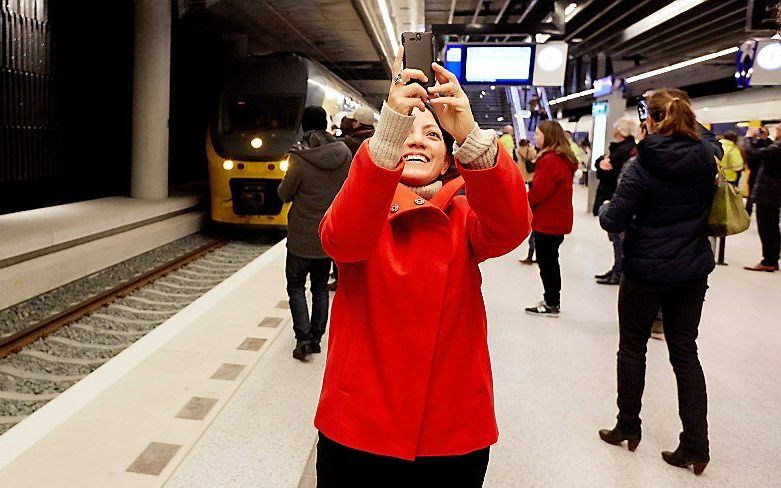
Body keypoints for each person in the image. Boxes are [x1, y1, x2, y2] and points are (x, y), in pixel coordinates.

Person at [314, 49, 531, 487]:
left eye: (433, 135)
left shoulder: (467, 215)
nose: (417, 140)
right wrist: (389, 130)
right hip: (361, 422)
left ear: (449, 155)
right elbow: (343, 241)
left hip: (450, 429)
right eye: (407, 133)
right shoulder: (361, 203)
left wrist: (468, 131)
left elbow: (511, 227)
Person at [598, 89, 716, 475]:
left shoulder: (641, 164)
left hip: (646, 270)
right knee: (686, 353)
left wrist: (606, 210)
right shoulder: (705, 159)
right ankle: (696, 445)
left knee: (632, 348)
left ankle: (628, 426)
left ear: (651, 120)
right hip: (691, 270)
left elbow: (615, 220)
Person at [278, 106, 352, 362]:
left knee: (296, 287)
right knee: (320, 287)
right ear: (325, 123)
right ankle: (317, 338)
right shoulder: (344, 154)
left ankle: (304, 338)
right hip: (328, 235)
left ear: (304, 126)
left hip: (300, 237)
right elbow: (349, 188)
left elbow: (284, 194)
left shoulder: (300, 158)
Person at [524, 121, 578, 317]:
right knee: (551, 261)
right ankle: (552, 299)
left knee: (547, 263)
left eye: (538, 133)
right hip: (558, 218)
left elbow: (540, 192)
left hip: (548, 220)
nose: (535, 137)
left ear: (548, 136)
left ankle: (551, 302)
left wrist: (524, 203)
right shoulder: (562, 159)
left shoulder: (550, 161)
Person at [594, 117, 637, 285]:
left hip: (614, 198)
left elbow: (607, 172)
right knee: (616, 240)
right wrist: (600, 164)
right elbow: (601, 165)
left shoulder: (622, 151)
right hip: (614, 197)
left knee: (618, 239)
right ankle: (616, 269)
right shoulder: (625, 149)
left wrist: (602, 166)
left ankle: (618, 271)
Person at [743, 124, 781, 272]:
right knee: (772, 227)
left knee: (766, 228)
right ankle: (772, 259)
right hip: (773, 192)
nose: (775, 132)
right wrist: (764, 139)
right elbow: (767, 152)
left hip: (768, 193)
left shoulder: (778, 147)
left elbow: (753, 153)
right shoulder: (776, 146)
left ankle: (768, 260)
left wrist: (748, 137)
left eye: (777, 129)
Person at [516, 139, 538, 264]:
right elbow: (534, 158)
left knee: (524, 187)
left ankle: (531, 256)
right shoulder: (532, 150)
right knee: (530, 185)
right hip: (531, 172)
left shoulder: (518, 150)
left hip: (521, 170)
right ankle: (534, 256)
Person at [744, 126, 773, 215]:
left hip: (768, 175)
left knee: (766, 197)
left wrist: (764, 138)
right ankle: (747, 213)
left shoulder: (772, 144)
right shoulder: (754, 144)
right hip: (755, 173)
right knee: (751, 196)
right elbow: (750, 155)